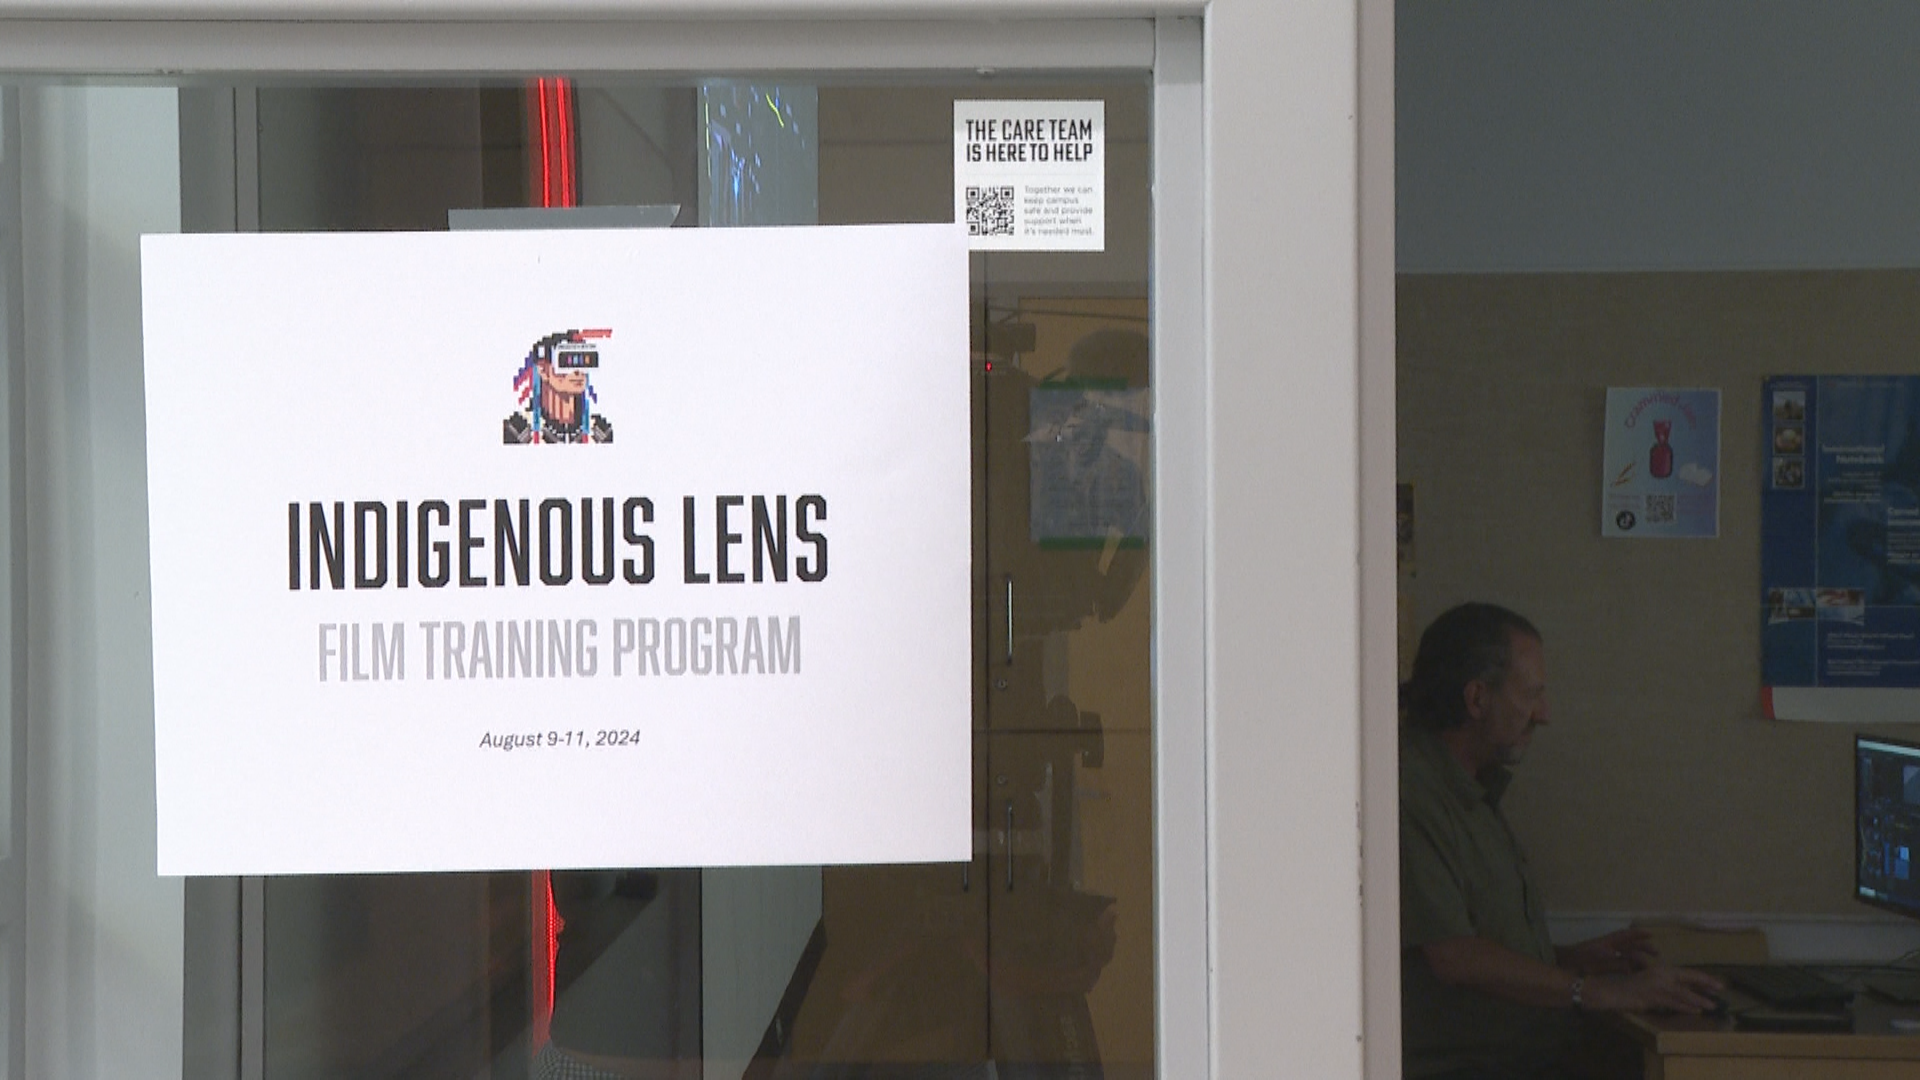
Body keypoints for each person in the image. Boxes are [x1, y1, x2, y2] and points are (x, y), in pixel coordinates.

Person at [1399, 603, 1724, 1080]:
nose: (1544, 715)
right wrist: (1596, 991)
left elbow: (1473, 941)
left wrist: (1570, 961)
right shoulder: (1412, 791)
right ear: (1477, 698)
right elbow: (1454, 957)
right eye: (1532, 695)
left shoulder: (1473, 789)